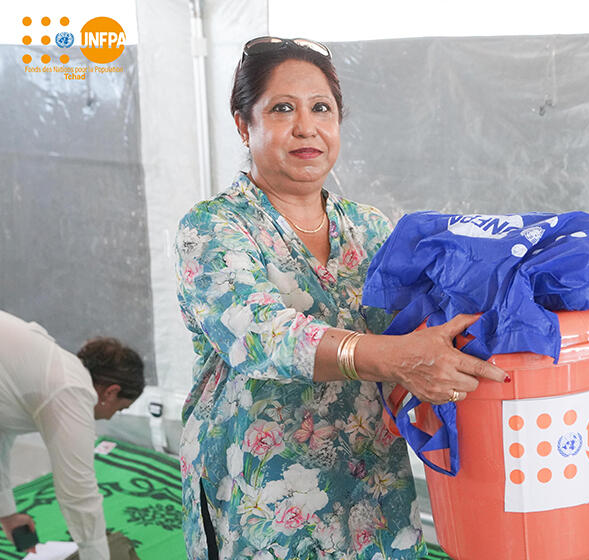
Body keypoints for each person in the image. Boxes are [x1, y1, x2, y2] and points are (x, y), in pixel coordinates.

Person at [174, 37, 508, 560]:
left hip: (370, 486)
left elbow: (427, 317)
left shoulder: (371, 228)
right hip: (262, 495)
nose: (306, 126)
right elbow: (261, 337)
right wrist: (396, 358)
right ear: (244, 123)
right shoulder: (215, 227)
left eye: (321, 108)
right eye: (282, 109)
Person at [0, 311, 144, 560]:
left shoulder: (50, 363)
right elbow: (78, 492)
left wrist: (7, 513)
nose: (110, 418)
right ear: (111, 392)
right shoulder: (71, 389)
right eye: (120, 409)